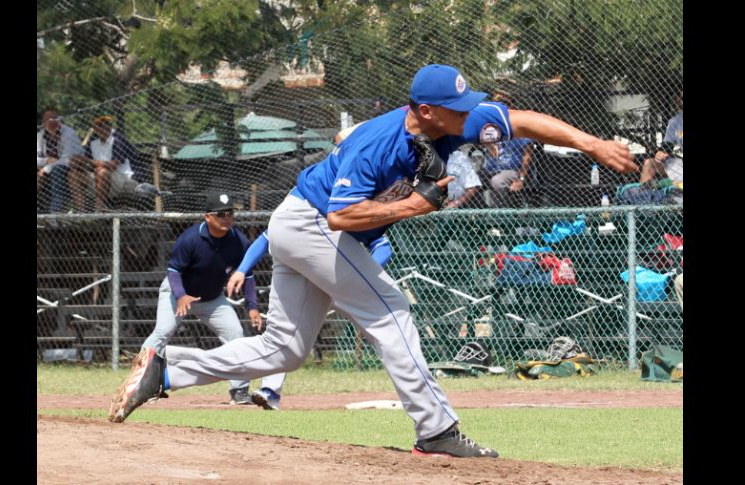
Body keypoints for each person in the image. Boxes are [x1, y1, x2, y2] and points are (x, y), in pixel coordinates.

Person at [109, 64, 635, 458]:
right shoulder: (379, 144)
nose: (469, 113)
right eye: (457, 108)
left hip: (298, 224)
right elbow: (340, 217)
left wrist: (592, 144)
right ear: (426, 111)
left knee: (285, 350)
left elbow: (522, 122)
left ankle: (167, 370)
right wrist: (415, 204)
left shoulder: (451, 121)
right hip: (312, 223)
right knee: (393, 312)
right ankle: (436, 431)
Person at [137, 191, 285, 405]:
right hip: (177, 294)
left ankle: (239, 391)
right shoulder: (191, 239)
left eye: (230, 213)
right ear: (208, 217)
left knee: (236, 334)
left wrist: (252, 307)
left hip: (212, 300)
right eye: (221, 214)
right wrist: (180, 296)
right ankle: (140, 382)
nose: (227, 218)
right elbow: (174, 271)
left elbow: (248, 274)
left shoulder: (238, 241)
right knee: (162, 332)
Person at [226, 229, 393, 410]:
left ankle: (411, 387)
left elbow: (383, 247)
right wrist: (242, 270)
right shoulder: (302, 209)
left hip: (347, 285)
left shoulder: (350, 209)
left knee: (383, 332)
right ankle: (270, 391)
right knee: (285, 335)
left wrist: (360, 277)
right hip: (310, 287)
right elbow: (267, 238)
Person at [69, 115, 141, 212]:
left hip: (122, 180)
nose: (104, 127)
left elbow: (112, 166)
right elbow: (84, 162)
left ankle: (99, 209)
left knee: (101, 171)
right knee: (73, 174)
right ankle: (81, 212)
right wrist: (77, 161)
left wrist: (87, 161)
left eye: (107, 124)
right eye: (100, 125)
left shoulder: (118, 139)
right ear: (94, 128)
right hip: (100, 182)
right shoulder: (93, 143)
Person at [36, 108, 85, 213]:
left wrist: (46, 169)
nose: (52, 121)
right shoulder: (40, 136)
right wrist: (47, 160)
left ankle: (55, 212)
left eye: (54, 118)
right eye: (48, 119)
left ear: (59, 119)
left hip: (70, 167)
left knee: (57, 170)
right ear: (43, 122)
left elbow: (67, 159)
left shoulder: (68, 133)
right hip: (47, 166)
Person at [640, 89, 683, 184]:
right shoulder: (675, 121)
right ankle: (644, 197)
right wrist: (661, 153)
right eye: (680, 98)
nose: (680, 100)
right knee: (649, 164)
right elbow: (667, 146)